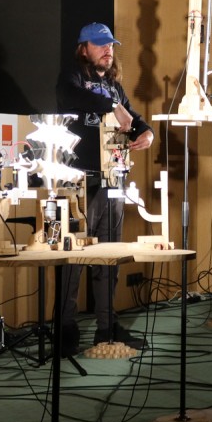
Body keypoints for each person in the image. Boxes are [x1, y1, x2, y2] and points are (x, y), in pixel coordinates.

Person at [55, 22, 154, 355]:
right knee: (73, 259)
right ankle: (65, 329)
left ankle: (106, 327)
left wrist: (147, 133)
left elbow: (134, 119)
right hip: (78, 183)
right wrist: (111, 107)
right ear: (83, 48)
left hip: (113, 180)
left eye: (110, 44)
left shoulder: (114, 86)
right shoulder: (72, 76)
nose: (107, 50)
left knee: (109, 258)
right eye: (99, 44)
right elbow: (71, 97)